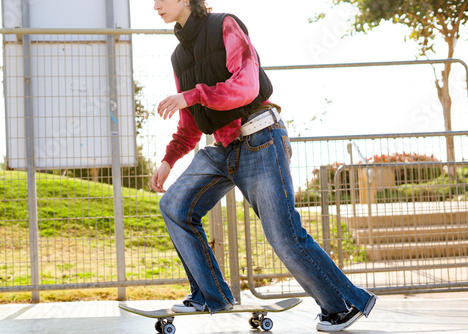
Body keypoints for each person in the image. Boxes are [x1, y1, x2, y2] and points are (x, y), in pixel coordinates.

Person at [151, 0, 377, 331]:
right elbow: (190, 124)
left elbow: (247, 86)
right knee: (174, 205)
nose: (155, 5)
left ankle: (344, 305)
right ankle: (209, 295)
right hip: (222, 148)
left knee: (284, 235)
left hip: (260, 138)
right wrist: (168, 160)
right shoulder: (178, 57)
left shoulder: (225, 25)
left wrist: (194, 94)